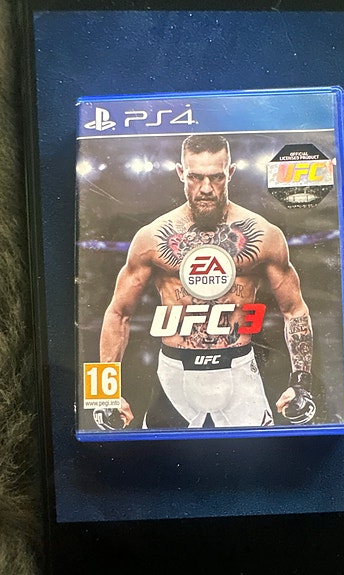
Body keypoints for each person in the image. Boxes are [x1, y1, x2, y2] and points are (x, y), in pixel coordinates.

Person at [94, 134, 316, 431]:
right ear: (181, 173)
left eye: (217, 177)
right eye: (196, 177)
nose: (207, 188)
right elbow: (118, 313)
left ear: (230, 173)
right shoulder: (152, 237)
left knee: (261, 455)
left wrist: (301, 384)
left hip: (240, 372)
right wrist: (103, 394)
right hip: (174, 376)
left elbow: (294, 310)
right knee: (154, 457)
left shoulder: (264, 235)